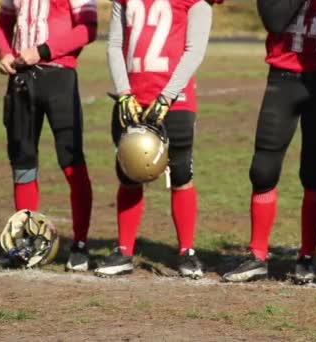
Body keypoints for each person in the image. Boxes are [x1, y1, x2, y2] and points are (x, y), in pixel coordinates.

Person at [221, 0, 316, 284]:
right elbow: (275, 21)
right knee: (262, 169)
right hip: (283, 77)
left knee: (313, 171)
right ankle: (257, 255)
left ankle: (307, 256)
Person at [94, 0, 214, 278]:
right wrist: (124, 92)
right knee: (128, 172)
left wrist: (166, 96)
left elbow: (194, 51)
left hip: (175, 100)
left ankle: (187, 251)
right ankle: (124, 250)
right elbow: (114, 44)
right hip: (132, 98)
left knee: (182, 173)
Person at [0, 0, 97, 271]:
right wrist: (4, 52)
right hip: (21, 77)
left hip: (59, 78)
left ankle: (81, 245)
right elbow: (3, 23)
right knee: (22, 160)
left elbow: (88, 29)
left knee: (71, 158)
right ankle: (27, 242)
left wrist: (42, 51)